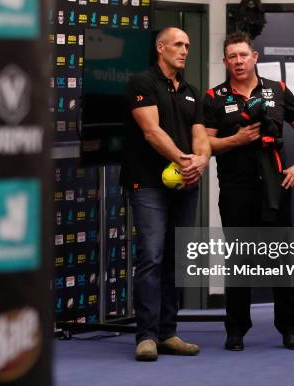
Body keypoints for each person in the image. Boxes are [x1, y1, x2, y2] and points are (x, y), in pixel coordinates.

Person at [204, 32, 294, 351]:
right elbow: (205, 143)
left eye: (243, 55)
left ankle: (289, 328)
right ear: (225, 62)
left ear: (255, 57)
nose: (238, 61)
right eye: (232, 57)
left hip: (275, 187)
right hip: (236, 189)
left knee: (280, 259)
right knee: (239, 261)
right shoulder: (214, 96)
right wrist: (234, 141)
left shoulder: (277, 90)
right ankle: (236, 329)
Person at [122, 26, 211, 361]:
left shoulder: (191, 91)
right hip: (147, 184)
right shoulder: (142, 83)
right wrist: (184, 159)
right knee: (152, 257)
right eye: (178, 44)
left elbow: (200, 133)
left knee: (175, 258)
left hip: (185, 183)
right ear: (161, 47)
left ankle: (168, 333)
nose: (185, 50)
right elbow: (151, 131)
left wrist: (200, 161)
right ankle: (146, 336)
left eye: (188, 44)